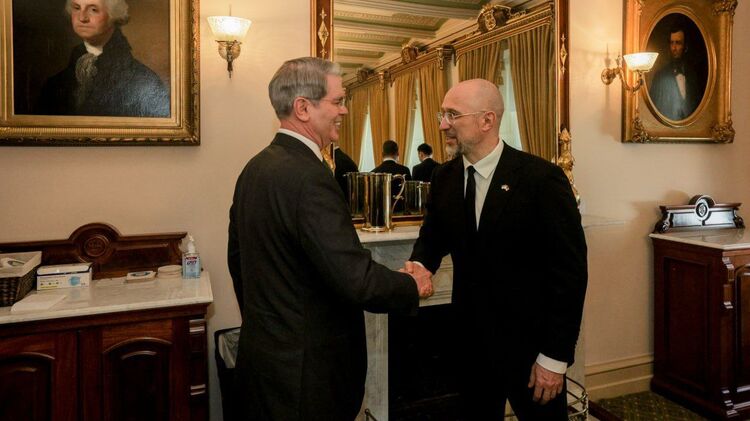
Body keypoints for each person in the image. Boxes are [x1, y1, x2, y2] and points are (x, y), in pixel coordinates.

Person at [227, 57, 433, 421]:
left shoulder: (255, 168)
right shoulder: (309, 177)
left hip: (266, 363)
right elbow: (354, 278)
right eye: (337, 101)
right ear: (303, 108)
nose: (344, 110)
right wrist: (410, 285)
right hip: (308, 377)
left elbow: (237, 260)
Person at [406, 78, 587, 420]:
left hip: (531, 352)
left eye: (452, 115)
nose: (443, 125)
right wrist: (420, 265)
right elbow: (432, 238)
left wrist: (554, 358)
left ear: (487, 120)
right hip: (470, 347)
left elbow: (570, 276)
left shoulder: (541, 179)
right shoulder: (444, 177)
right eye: (442, 114)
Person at [34, 0, 169, 117]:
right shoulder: (54, 85)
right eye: (77, 8)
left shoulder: (145, 81)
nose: (82, 18)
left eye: (93, 9)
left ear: (114, 15)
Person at [648, 26, 701, 120]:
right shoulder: (659, 76)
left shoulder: (694, 75)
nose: (674, 48)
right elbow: (653, 110)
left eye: (678, 43)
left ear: (685, 47)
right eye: (672, 43)